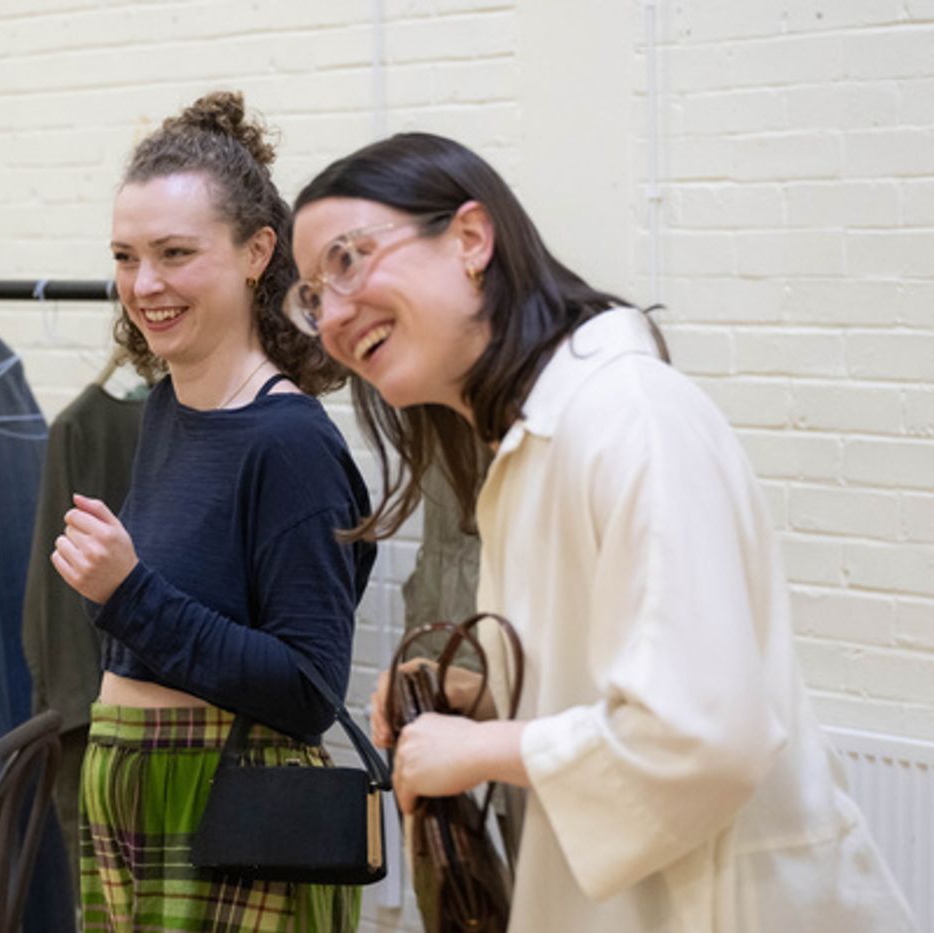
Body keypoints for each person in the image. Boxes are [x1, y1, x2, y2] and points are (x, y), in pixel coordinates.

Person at [286, 132, 917, 932]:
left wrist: (478, 753)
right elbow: (622, 682)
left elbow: (702, 735)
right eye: (312, 295)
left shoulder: (628, 416)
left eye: (348, 260)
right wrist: (483, 702)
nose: (334, 315)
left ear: (471, 240)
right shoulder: (527, 444)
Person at [49, 91, 373, 932]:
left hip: (226, 817)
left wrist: (128, 594)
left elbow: (307, 689)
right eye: (126, 256)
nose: (144, 284)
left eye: (175, 253)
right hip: (135, 804)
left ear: (258, 251)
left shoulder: (290, 444)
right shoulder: (165, 409)